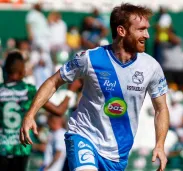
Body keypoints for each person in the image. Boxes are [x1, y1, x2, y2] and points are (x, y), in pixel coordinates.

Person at [20, 3, 170, 171]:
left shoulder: (151, 67)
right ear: (122, 31)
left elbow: (161, 109)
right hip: (83, 136)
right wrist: (30, 114)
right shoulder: (90, 58)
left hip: (117, 154)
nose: (147, 35)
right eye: (141, 30)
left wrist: (160, 144)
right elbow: (53, 81)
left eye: (147, 29)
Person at [0, 50, 79, 171]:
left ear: (5, 70)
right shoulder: (29, 90)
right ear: (22, 71)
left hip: (2, 147)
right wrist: (70, 91)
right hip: (21, 147)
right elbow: (59, 111)